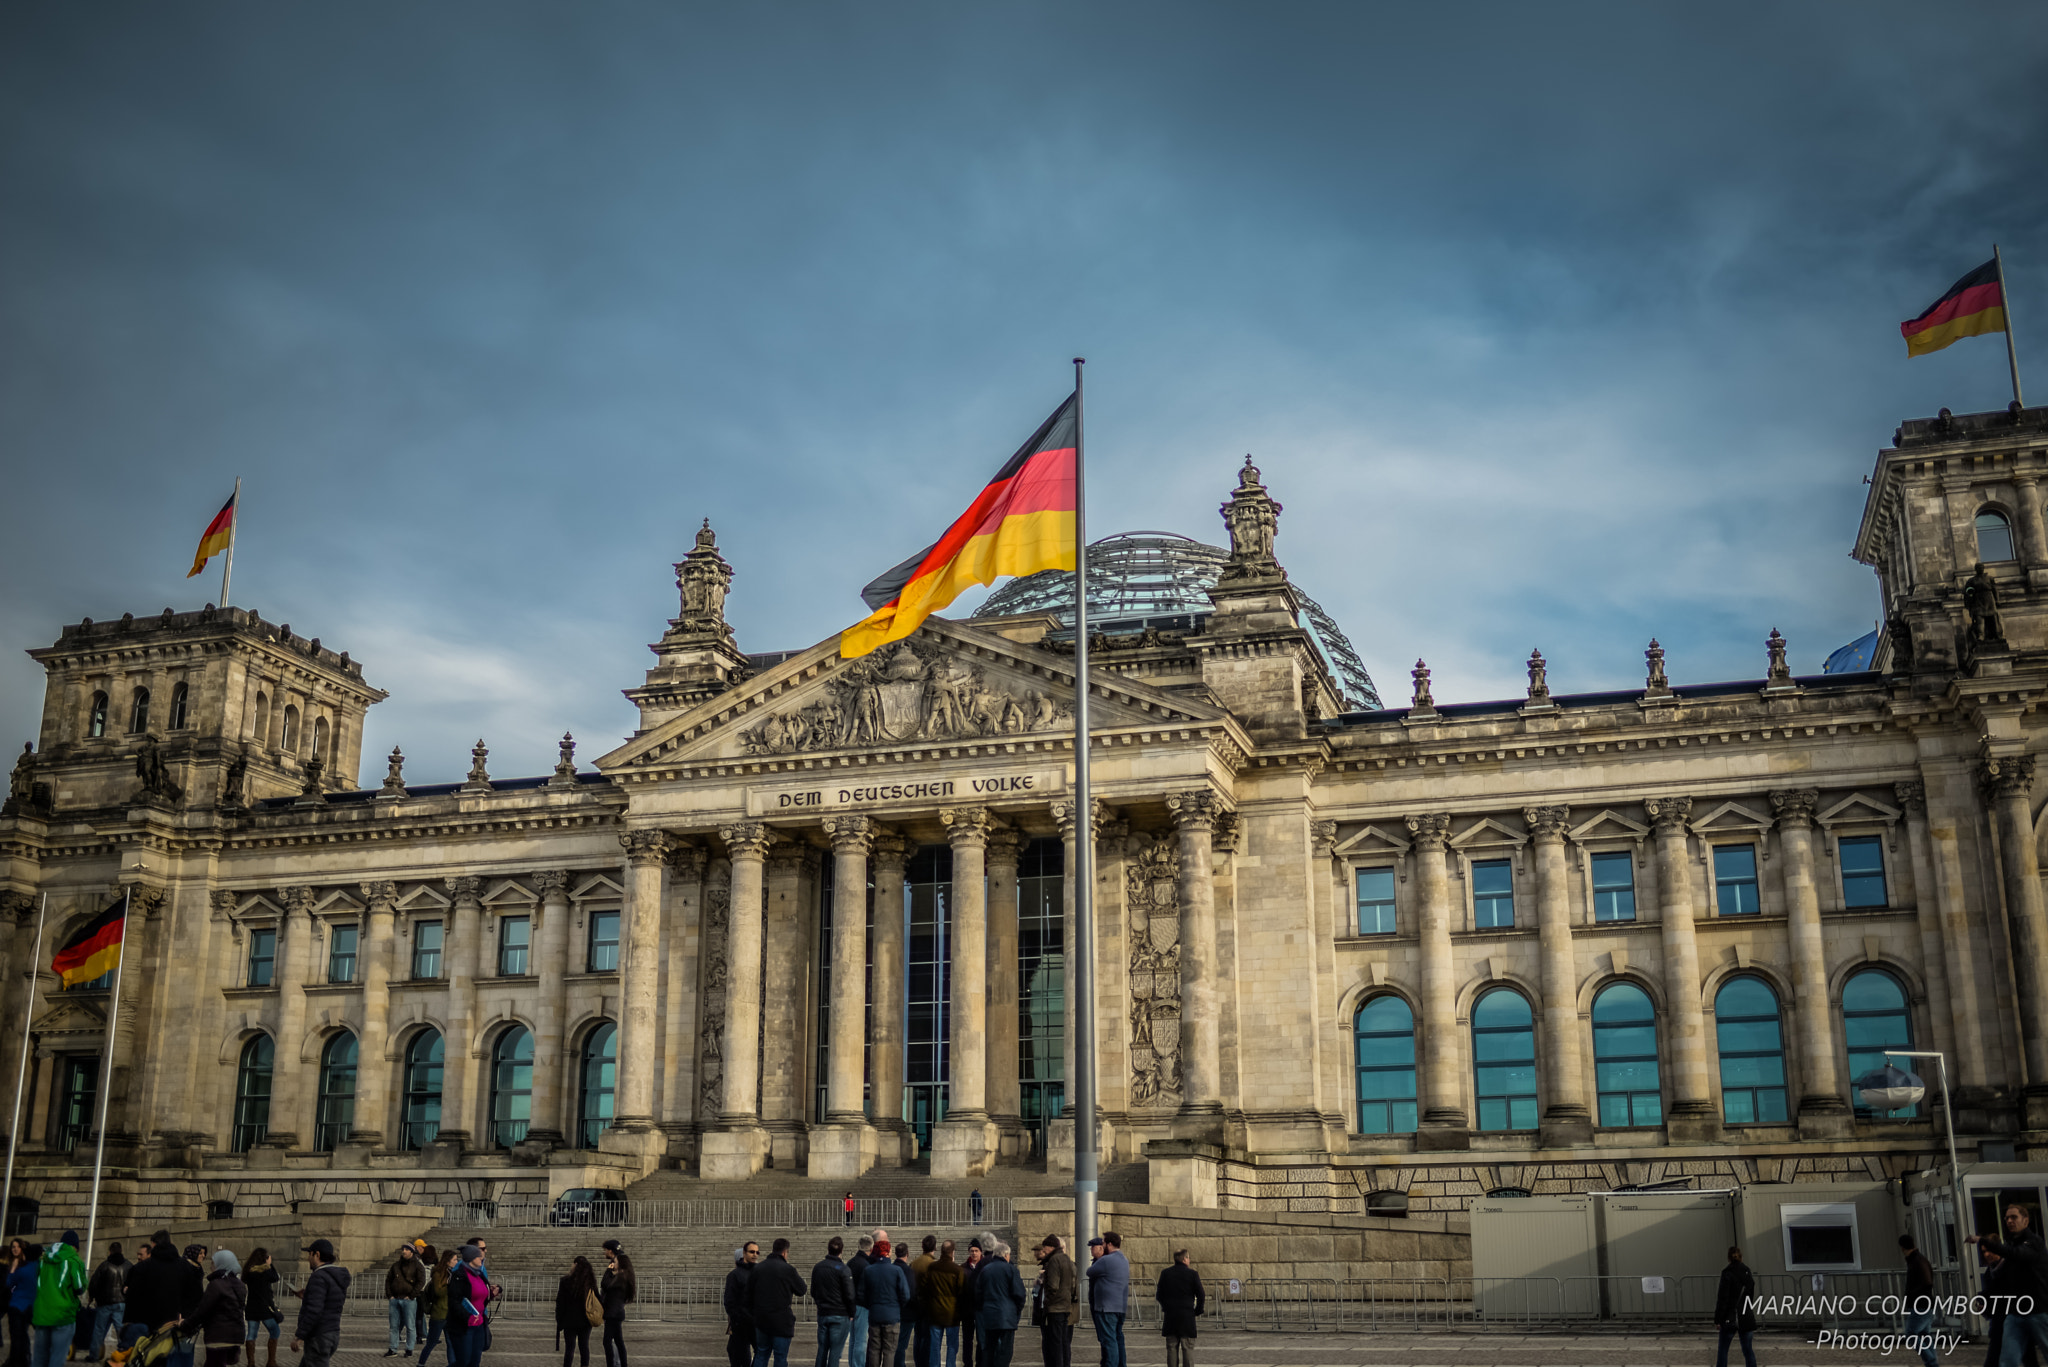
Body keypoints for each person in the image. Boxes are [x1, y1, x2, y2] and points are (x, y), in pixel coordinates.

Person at [1970, 1204, 2048, 1367]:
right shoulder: (2011, 1245)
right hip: (2015, 1313)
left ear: (2025, 1221)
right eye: (2007, 1218)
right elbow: (2001, 1283)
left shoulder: (2033, 1242)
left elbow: (2017, 1255)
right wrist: (1983, 1297)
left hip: (2037, 1310)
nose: (2010, 1221)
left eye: (2014, 1217)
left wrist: (1983, 1240)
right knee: (2008, 1360)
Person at [175, 1251, 246, 1367]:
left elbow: (202, 1311)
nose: (211, 1266)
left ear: (221, 1264)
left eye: (214, 1263)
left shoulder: (216, 1285)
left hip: (218, 1336)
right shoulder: (240, 1285)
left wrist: (184, 1325)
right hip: (236, 1336)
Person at [289, 1241, 350, 1367]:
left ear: (316, 1255)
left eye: (309, 1254)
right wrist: (307, 1296)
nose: (308, 1258)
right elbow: (330, 1300)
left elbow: (315, 1310)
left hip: (319, 1335)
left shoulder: (319, 1277)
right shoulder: (335, 1276)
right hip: (332, 1332)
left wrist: (299, 1336)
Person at [30, 1232, 86, 1367]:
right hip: (63, 1315)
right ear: (75, 1246)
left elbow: (34, 1281)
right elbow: (79, 1287)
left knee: (39, 1356)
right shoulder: (74, 1260)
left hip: (42, 1313)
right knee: (58, 1356)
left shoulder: (43, 1259)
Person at [748, 1239, 806, 1367]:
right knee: (780, 1357)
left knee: (761, 1354)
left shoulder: (758, 1268)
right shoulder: (788, 1269)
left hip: (762, 1319)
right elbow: (802, 1289)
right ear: (785, 1252)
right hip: (781, 1321)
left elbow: (749, 1292)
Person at [120, 1240, 181, 1354]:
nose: (138, 1257)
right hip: (160, 1321)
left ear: (151, 1253)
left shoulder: (142, 1268)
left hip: (143, 1319)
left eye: (141, 1254)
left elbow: (132, 1294)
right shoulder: (175, 1269)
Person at [859, 1242, 910, 1367]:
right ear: (888, 1252)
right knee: (889, 1352)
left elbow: (860, 1295)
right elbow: (906, 1295)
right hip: (892, 1316)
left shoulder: (868, 1270)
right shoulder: (896, 1270)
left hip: (875, 1315)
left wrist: (871, 1305)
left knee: (874, 1350)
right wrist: (897, 1307)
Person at [972, 1244, 1023, 1367]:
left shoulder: (985, 1270)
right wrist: (1016, 1311)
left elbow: (978, 1293)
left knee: (989, 1348)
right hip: (1007, 1316)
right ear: (1006, 1255)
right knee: (1005, 1351)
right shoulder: (1011, 1269)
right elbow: (1019, 1294)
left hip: (989, 1315)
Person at [810, 1238, 855, 1367]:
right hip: (840, 1314)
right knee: (835, 1352)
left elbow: (813, 1290)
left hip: (824, 1312)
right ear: (841, 1250)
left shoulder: (818, 1267)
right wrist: (851, 1312)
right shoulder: (844, 1269)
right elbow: (850, 1295)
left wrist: (820, 1303)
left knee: (822, 1349)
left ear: (828, 1249)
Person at [1153, 1251, 1203, 1367]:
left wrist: (1166, 1307)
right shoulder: (1192, 1274)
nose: (1189, 1260)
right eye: (1188, 1258)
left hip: (1170, 1316)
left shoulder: (1165, 1273)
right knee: (1187, 1348)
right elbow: (1201, 1294)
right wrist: (1198, 1310)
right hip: (1187, 1316)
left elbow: (1159, 1295)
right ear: (1184, 1259)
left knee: (1171, 1348)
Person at [442, 1246, 489, 1367]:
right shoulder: (459, 1275)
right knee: (463, 1361)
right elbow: (454, 1301)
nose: (481, 1258)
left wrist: (492, 1293)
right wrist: (468, 1317)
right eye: (478, 1256)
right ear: (471, 1258)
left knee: (475, 1361)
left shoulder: (479, 1274)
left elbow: (480, 1297)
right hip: (464, 1326)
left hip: (479, 1326)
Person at [1083, 1235, 1127, 1367]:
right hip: (1120, 1306)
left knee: (1109, 1340)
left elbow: (1089, 1271)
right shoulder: (1124, 1259)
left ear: (1108, 1244)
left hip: (1106, 1308)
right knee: (1118, 1338)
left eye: (1103, 1244)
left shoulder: (1106, 1260)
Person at [1031, 1237, 1075, 1367]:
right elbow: (1072, 1285)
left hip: (1055, 1308)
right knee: (1062, 1342)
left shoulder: (1054, 1260)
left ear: (1050, 1247)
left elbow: (1053, 1286)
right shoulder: (1066, 1259)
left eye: (1045, 1247)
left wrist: (1047, 1302)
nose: (1043, 1250)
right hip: (1065, 1306)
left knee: (1054, 1344)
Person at [916, 1244, 960, 1367]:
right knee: (952, 1345)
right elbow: (962, 1292)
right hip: (952, 1313)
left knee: (935, 1345)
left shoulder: (932, 1268)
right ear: (953, 1253)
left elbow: (924, 1289)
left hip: (935, 1312)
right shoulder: (957, 1269)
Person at [82, 1243, 125, 1364]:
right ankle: (124, 1353)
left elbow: (94, 1283)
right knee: (121, 1331)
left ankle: (94, 1355)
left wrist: (91, 1297)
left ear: (110, 1251)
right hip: (121, 1303)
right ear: (121, 1251)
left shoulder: (104, 1265)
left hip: (104, 1303)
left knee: (99, 1330)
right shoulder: (127, 1266)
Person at [554, 1255, 598, 1367]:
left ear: (576, 1265)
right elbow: (597, 1298)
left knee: (569, 1348)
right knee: (584, 1347)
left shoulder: (565, 1281)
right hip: (585, 1320)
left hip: (569, 1320)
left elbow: (560, 1303)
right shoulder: (590, 1282)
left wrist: (559, 1320)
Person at [1901, 1234, 1938, 1367]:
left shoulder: (1916, 1261)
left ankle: (1931, 1361)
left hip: (1920, 1304)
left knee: (1911, 1333)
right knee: (1924, 1334)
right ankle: (1932, 1362)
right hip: (1926, 1304)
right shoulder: (1921, 1259)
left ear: (1902, 1247)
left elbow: (1927, 1282)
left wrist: (1911, 1295)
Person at [241, 1249, 281, 1367]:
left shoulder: (249, 1271)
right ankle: (271, 1362)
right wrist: (270, 1264)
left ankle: (251, 1363)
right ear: (264, 1258)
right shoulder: (266, 1271)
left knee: (251, 1334)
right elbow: (275, 1277)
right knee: (275, 1330)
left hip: (252, 1307)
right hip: (264, 1308)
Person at [386, 1243, 426, 1359]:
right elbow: (388, 1280)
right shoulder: (396, 1265)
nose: (403, 1251)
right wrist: (390, 1295)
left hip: (408, 1300)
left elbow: (421, 1281)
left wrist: (412, 1295)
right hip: (395, 1299)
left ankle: (409, 1349)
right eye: (403, 1249)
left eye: (406, 1250)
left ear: (411, 1252)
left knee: (410, 1326)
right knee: (394, 1326)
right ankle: (393, 1349)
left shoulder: (417, 1266)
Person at [417, 1251, 456, 1367]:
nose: (456, 1262)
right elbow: (438, 1292)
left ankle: (452, 1364)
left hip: (449, 1314)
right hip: (439, 1313)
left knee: (451, 1342)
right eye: (454, 1259)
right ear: (448, 1261)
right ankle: (420, 1363)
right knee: (431, 1343)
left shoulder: (452, 1273)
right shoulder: (438, 1273)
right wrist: (449, 1285)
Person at [599, 1245, 635, 1367]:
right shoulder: (623, 1276)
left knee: (607, 1342)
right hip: (616, 1313)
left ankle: (612, 1364)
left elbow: (605, 1285)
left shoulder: (620, 1277)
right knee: (618, 1341)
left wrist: (608, 1270)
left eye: (615, 1262)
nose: (613, 1263)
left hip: (613, 1314)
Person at [725, 1246, 759, 1367]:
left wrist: (735, 1318)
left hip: (742, 1321)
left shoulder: (735, 1275)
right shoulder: (758, 1274)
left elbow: (730, 1301)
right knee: (759, 1350)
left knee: (738, 1351)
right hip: (755, 1319)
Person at [906, 1239, 937, 1367]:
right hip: (928, 1304)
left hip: (915, 1303)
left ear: (922, 1247)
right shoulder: (933, 1264)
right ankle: (924, 1362)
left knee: (918, 1335)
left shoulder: (914, 1263)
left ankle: (918, 1361)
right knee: (927, 1336)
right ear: (934, 1247)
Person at [846, 1238, 875, 1367]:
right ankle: (858, 1365)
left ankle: (853, 1363)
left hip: (850, 1304)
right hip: (862, 1305)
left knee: (853, 1339)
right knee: (861, 1340)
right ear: (871, 1248)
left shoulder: (850, 1263)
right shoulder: (867, 1266)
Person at [9, 1242, 35, 1367]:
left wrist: (13, 1269)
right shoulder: (38, 1268)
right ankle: (26, 1360)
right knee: (24, 1335)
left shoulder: (22, 1269)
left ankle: (16, 1361)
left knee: (17, 1336)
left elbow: (9, 1283)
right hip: (30, 1306)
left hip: (17, 1305)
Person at [958, 1245, 983, 1367]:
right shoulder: (963, 1268)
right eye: (972, 1251)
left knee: (980, 1339)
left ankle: (979, 1362)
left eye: (976, 1251)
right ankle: (967, 1363)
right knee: (967, 1340)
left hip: (980, 1309)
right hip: (967, 1309)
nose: (974, 1253)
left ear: (980, 1252)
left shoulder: (984, 1267)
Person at [889, 1247, 913, 1367]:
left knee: (893, 1344)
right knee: (901, 1345)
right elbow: (910, 1292)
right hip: (906, 1313)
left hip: (892, 1312)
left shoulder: (891, 1269)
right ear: (907, 1254)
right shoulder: (908, 1270)